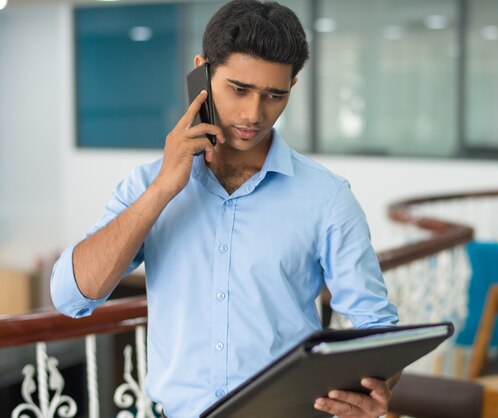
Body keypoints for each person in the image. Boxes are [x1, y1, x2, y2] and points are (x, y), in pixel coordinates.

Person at [51, 1, 399, 417]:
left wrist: (377, 386)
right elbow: (71, 296)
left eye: (274, 95)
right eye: (238, 89)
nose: (254, 114)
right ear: (202, 70)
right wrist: (164, 188)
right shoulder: (147, 186)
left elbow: (377, 326)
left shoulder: (327, 198)